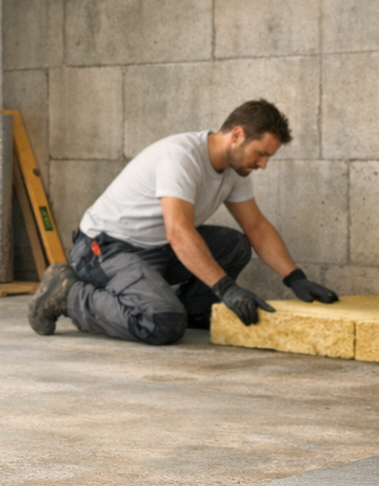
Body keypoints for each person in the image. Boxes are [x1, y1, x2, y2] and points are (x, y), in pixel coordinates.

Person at [27, 99, 339, 345]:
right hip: (104, 248)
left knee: (234, 246)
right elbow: (179, 231)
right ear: (237, 134)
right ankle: (68, 293)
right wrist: (226, 288)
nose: (263, 164)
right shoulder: (181, 158)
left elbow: (256, 226)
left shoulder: (236, 170)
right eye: (260, 154)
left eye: (268, 157)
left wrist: (295, 277)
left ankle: (186, 310)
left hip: (156, 247)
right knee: (162, 323)